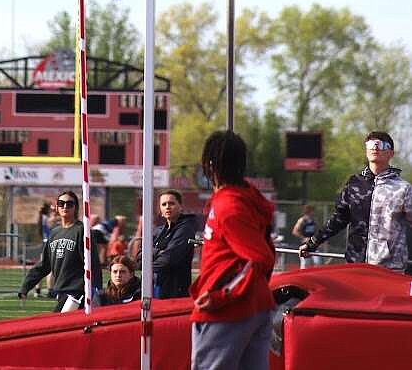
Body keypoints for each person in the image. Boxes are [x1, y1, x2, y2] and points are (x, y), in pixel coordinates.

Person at [191, 130, 275, 370]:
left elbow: (260, 257)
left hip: (229, 310)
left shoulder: (229, 205)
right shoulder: (244, 197)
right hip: (254, 303)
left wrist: (222, 295)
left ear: (210, 165)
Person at [299, 131, 412, 271]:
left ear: (391, 153)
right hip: (355, 266)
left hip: (390, 269)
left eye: (382, 145)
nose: (375, 147)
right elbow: (338, 219)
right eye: (371, 144)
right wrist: (313, 243)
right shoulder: (354, 183)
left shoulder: (403, 188)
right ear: (366, 150)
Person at [18, 191, 101, 312]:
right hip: (61, 290)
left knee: (57, 325)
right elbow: (44, 264)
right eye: (61, 203)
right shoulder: (54, 233)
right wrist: (26, 286)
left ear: (76, 207)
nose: (65, 206)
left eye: (69, 204)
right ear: (57, 207)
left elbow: (92, 262)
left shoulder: (82, 231)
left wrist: (95, 289)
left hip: (78, 293)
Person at [137, 189, 198, 298]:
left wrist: (148, 264)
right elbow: (139, 258)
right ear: (160, 209)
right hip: (152, 289)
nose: (167, 207)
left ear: (180, 207)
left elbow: (168, 259)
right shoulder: (157, 231)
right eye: (164, 204)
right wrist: (159, 252)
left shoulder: (186, 228)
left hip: (175, 292)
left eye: (172, 203)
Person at [291, 205, 321, 269]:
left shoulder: (314, 221)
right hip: (304, 245)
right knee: (305, 263)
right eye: (312, 211)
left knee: (317, 262)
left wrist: (318, 239)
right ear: (309, 211)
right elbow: (295, 231)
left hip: (313, 244)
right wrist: (303, 238)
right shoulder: (302, 220)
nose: (313, 213)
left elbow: (318, 231)